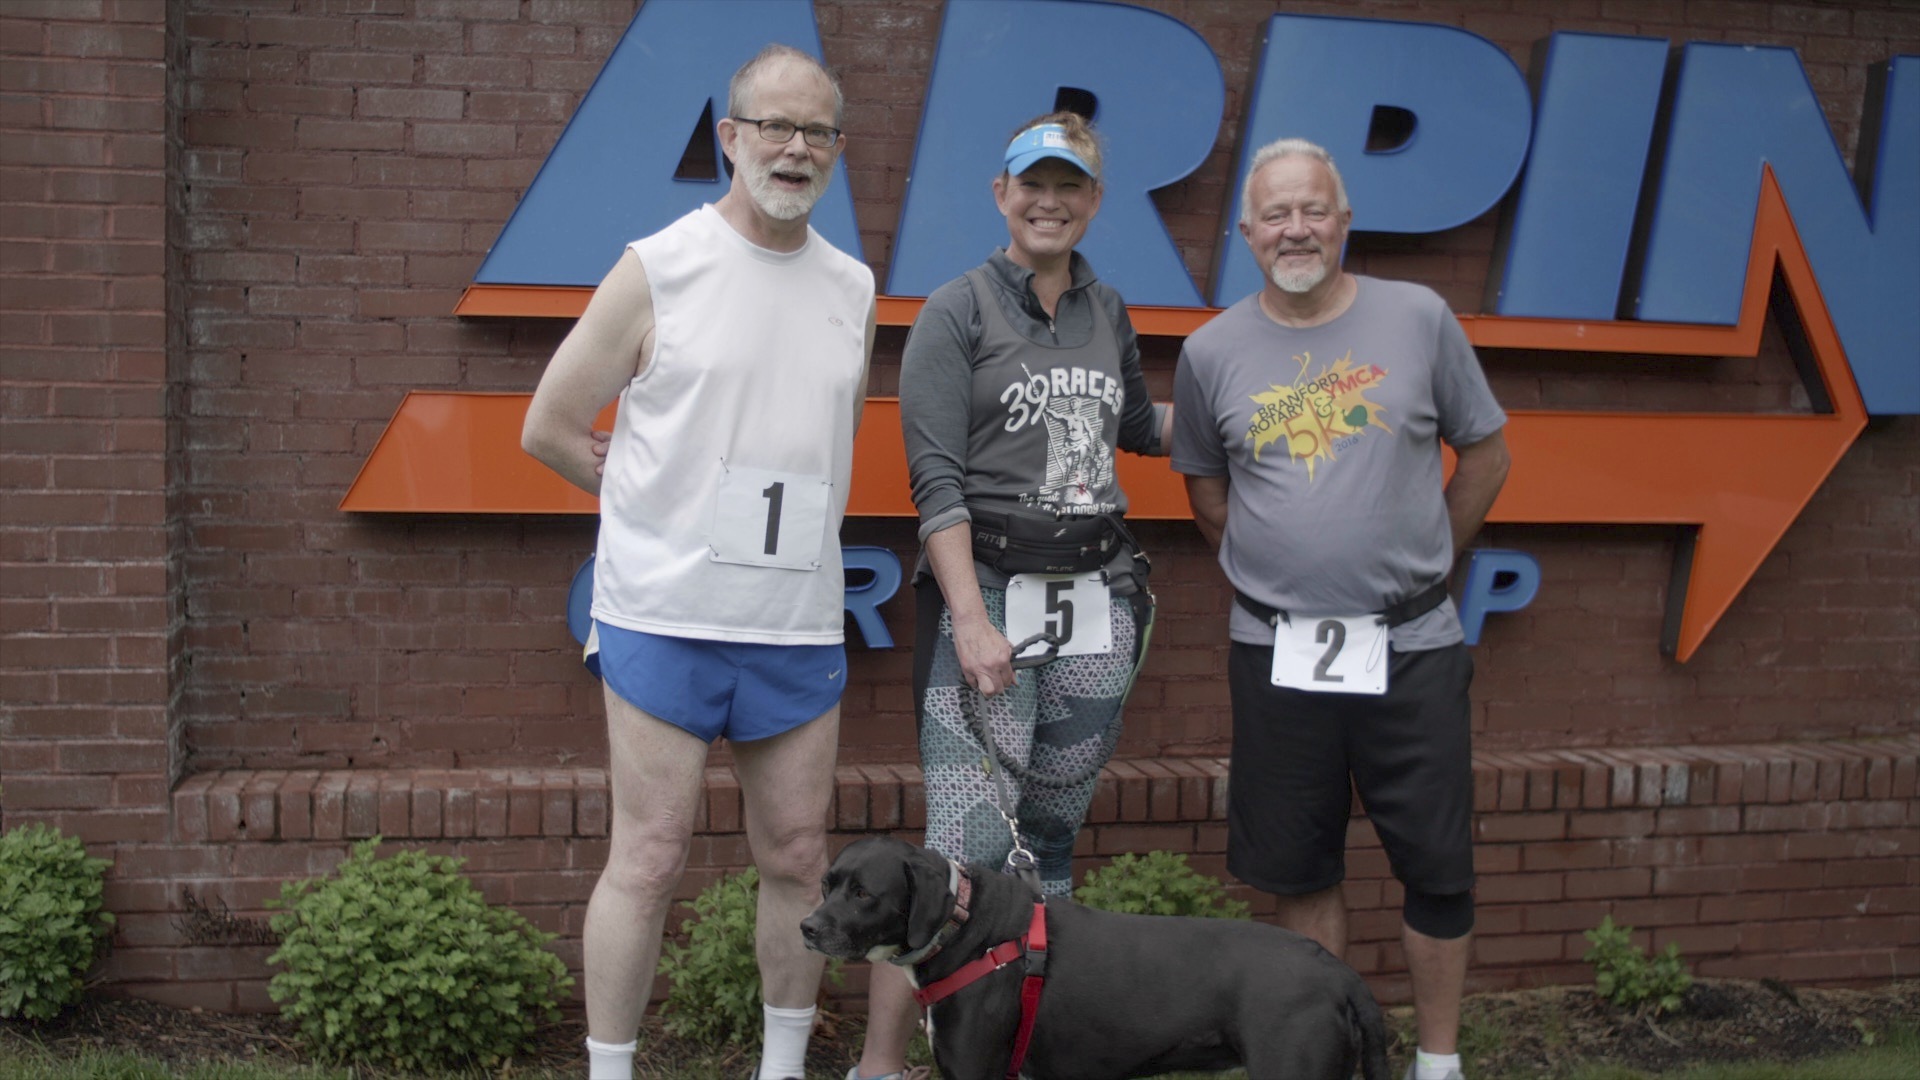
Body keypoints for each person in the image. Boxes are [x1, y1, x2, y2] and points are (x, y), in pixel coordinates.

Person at [520, 44, 875, 1080]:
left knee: (799, 858)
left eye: (816, 132)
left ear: (836, 151)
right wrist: (652, 505)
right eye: (775, 125)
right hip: (663, 615)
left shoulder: (851, 288)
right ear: (730, 137)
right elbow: (550, 425)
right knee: (650, 855)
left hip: (795, 625)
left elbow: (828, 441)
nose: (796, 148)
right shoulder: (658, 264)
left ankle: (780, 1068)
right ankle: (611, 1071)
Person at [1170, 138, 1510, 1080]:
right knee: (1299, 867)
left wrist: (1430, 564)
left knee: (1438, 868)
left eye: (1312, 209)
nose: (1295, 228)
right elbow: (1205, 493)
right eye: (1275, 214)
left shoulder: (1419, 319)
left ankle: (1438, 1063)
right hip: (1281, 654)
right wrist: (1279, 572)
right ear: (1246, 233)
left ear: (1344, 219)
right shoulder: (1211, 352)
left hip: (1414, 645)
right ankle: (1328, 1058)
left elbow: (1484, 454)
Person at [851, 112, 1172, 1080]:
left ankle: (1030, 1047)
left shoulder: (1107, 309)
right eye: (1032, 183)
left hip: (1095, 601)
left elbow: (1145, 428)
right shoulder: (957, 311)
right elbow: (935, 483)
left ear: (1093, 202)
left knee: (1049, 840)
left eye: (1069, 185)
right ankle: (883, 1064)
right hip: (984, 594)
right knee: (963, 850)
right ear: (1001, 194)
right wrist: (972, 620)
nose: (1049, 200)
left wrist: (1262, 408)